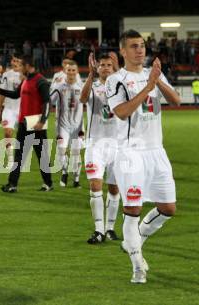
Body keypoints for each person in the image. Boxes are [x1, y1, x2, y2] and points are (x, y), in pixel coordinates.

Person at [106, 29, 180, 284]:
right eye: (134, 46)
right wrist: (147, 87)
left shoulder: (154, 75)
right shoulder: (115, 79)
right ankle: (138, 266)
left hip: (157, 151)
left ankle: (135, 241)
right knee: (133, 209)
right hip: (131, 154)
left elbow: (177, 100)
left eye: (142, 46)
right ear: (123, 52)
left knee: (168, 208)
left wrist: (157, 81)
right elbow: (122, 112)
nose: (140, 50)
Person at [80, 52, 121, 244]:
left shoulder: (120, 87)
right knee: (95, 185)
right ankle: (98, 230)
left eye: (108, 65)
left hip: (117, 145)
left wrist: (119, 70)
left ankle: (110, 228)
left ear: (113, 68)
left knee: (114, 188)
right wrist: (89, 74)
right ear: (97, 68)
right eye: (102, 65)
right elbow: (82, 99)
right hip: (95, 144)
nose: (105, 67)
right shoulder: (93, 86)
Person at [0, 54, 53, 193]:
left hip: (36, 123)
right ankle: (12, 184)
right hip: (24, 123)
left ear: (28, 66)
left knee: (41, 155)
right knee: (19, 155)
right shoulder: (26, 80)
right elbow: (14, 95)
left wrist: (42, 121)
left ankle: (48, 183)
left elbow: (47, 103)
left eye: (22, 65)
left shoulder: (41, 81)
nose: (19, 67)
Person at [50, 60, 84, 188]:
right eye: (68, 70)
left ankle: (76, 179)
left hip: (78, 126)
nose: (70, 72)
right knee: (61, 151)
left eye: (73, 70)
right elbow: (49, 101)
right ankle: (64, 172)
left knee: (75, 153)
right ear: (65, 71)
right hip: (62, 126)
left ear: (77, 72)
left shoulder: (82, 87)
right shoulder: (58, 88)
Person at [0, 54, 22, 168]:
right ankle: (11, 160)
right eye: (14, 60)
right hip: (9, 109)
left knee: (27, 137)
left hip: (23, 109)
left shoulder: (26, 75)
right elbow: (2, 93)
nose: (15, 62)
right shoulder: (6, 75)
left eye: (17, 60)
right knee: (7, 133)